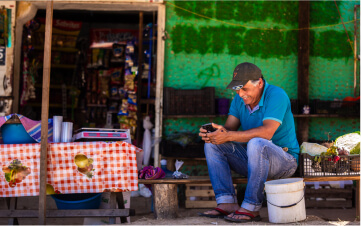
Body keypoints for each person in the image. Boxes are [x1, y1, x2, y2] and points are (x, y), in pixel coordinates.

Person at [198, 62, 299, 223]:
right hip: (254, 161)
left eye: (244, 89)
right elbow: (229, 129)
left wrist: (228, 135)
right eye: (237, 89)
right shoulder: (239, 101)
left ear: (259, 83)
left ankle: (252, 206)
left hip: (285, 162)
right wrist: (216, 133)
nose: (240, 94)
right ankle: (227, 202)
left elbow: (267, 132)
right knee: (212, 144)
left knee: (257, 142)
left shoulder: (276, 95)